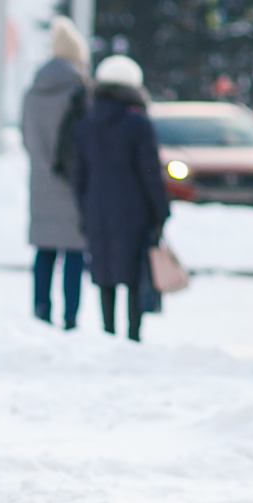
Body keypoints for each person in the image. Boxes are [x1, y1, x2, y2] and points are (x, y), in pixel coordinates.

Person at [74, 55, 170, 342]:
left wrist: (84, 207)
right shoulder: (138, 123)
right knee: (133, 272)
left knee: (104, 270)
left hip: (97, 206)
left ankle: (107, 331)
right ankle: (132, 335)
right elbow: (150, 172)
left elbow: (79, 172)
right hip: (134, 208)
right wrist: (160, 211)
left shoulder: (86, 122)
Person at [22, 18, 90, 329]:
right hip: (72, 182)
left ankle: (40, 310)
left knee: (45, 250)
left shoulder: (33, 92)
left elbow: (27, 138)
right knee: (74, 250)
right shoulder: (80, 93)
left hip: (41, 180)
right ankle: (71, 316)